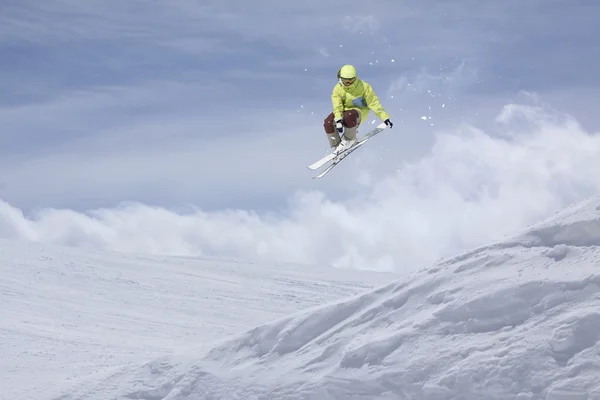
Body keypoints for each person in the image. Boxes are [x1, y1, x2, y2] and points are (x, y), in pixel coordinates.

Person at [323, 64, 393, 154]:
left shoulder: (364, 87)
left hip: (358, 113)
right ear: (341, 79)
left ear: (355, 78)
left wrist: (385, 117)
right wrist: (338, 119)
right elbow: (337, 106)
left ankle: (349, 140)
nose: (348, 84)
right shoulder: (337, 89)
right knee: (328, 122)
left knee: (349, 115)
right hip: (343, 112)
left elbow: (374, 103)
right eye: (345, 81)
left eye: (350, 80)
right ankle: (337, 148)